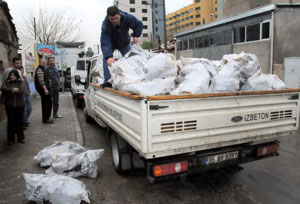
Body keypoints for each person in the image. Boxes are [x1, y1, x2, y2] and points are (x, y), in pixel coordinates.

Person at [100, 5, 143, 86]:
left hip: (124, 43)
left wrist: (136, 35)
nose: (114, 21)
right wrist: (109, 56)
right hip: (111, 44)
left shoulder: (127, 17)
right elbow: (105, 40)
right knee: (106, 60)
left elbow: (139, 24)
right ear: (108, 17)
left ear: (119, 14)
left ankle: (135, 78)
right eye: (111, 19)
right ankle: (108, 81)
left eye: (116, 18)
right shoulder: (105, 24)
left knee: (132, 59)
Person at [1, 70, 26, 145]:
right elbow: (2, 88)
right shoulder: (7, 82)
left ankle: (21, 137)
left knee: (19, 122)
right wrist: (12, 90)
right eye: (11, 75)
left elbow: (21, 90)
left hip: (20, 105)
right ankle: (10, 139)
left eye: (14, 75)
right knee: (11, 122)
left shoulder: (20, 82)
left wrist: (9, 90)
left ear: (17, 76)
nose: (12, 76)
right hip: (10, 105)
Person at [34, 58, 53, 124]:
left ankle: (47, 118)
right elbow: (41, 81)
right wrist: (45, 89)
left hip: (45, 88)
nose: (45, 63)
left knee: (48, 103)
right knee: (46, 103)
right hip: (43, 89)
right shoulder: (39, 69)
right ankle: (45, 119)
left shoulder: (43, 69)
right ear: (40, 62)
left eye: (45, 62)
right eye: (43, 62)